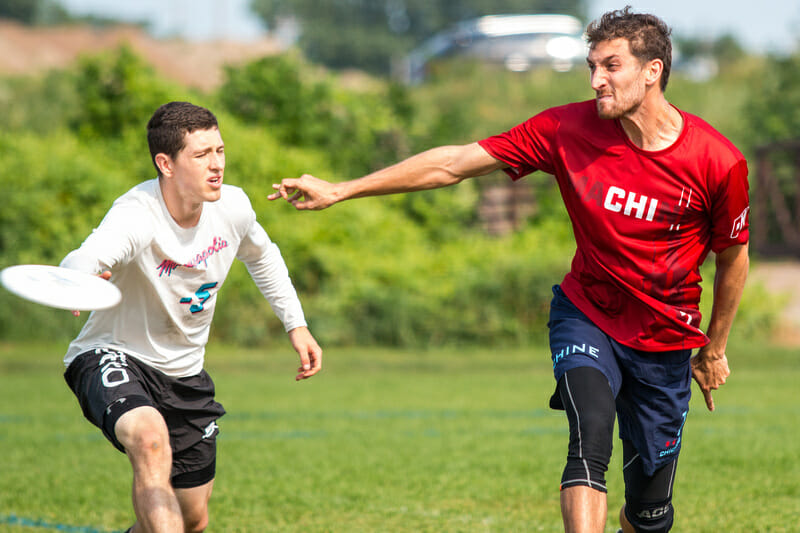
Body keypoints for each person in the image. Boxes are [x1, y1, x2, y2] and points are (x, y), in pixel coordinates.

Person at [268, 7, 749, 533]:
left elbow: (733, 259)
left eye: (610, 66)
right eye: (592, 67)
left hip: (664, 337)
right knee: (589, 433)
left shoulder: (717, 161)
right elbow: (453, 163)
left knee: (650, 514)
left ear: (652, 70)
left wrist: (715, 347)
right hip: (587, 313)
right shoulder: (565, 128)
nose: (596, 80)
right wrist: (343, 188)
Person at [61, 101, 322, 533]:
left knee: (191, 520)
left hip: (184, 374)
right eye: (202, 155)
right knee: (149, 439)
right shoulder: (137, 213)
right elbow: (89, 254)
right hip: (114, 356)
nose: (217, 165)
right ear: (165, 163)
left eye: (219, 150)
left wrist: (296, 324)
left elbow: (263, 257)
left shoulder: (233, 207)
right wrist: (77, 276)